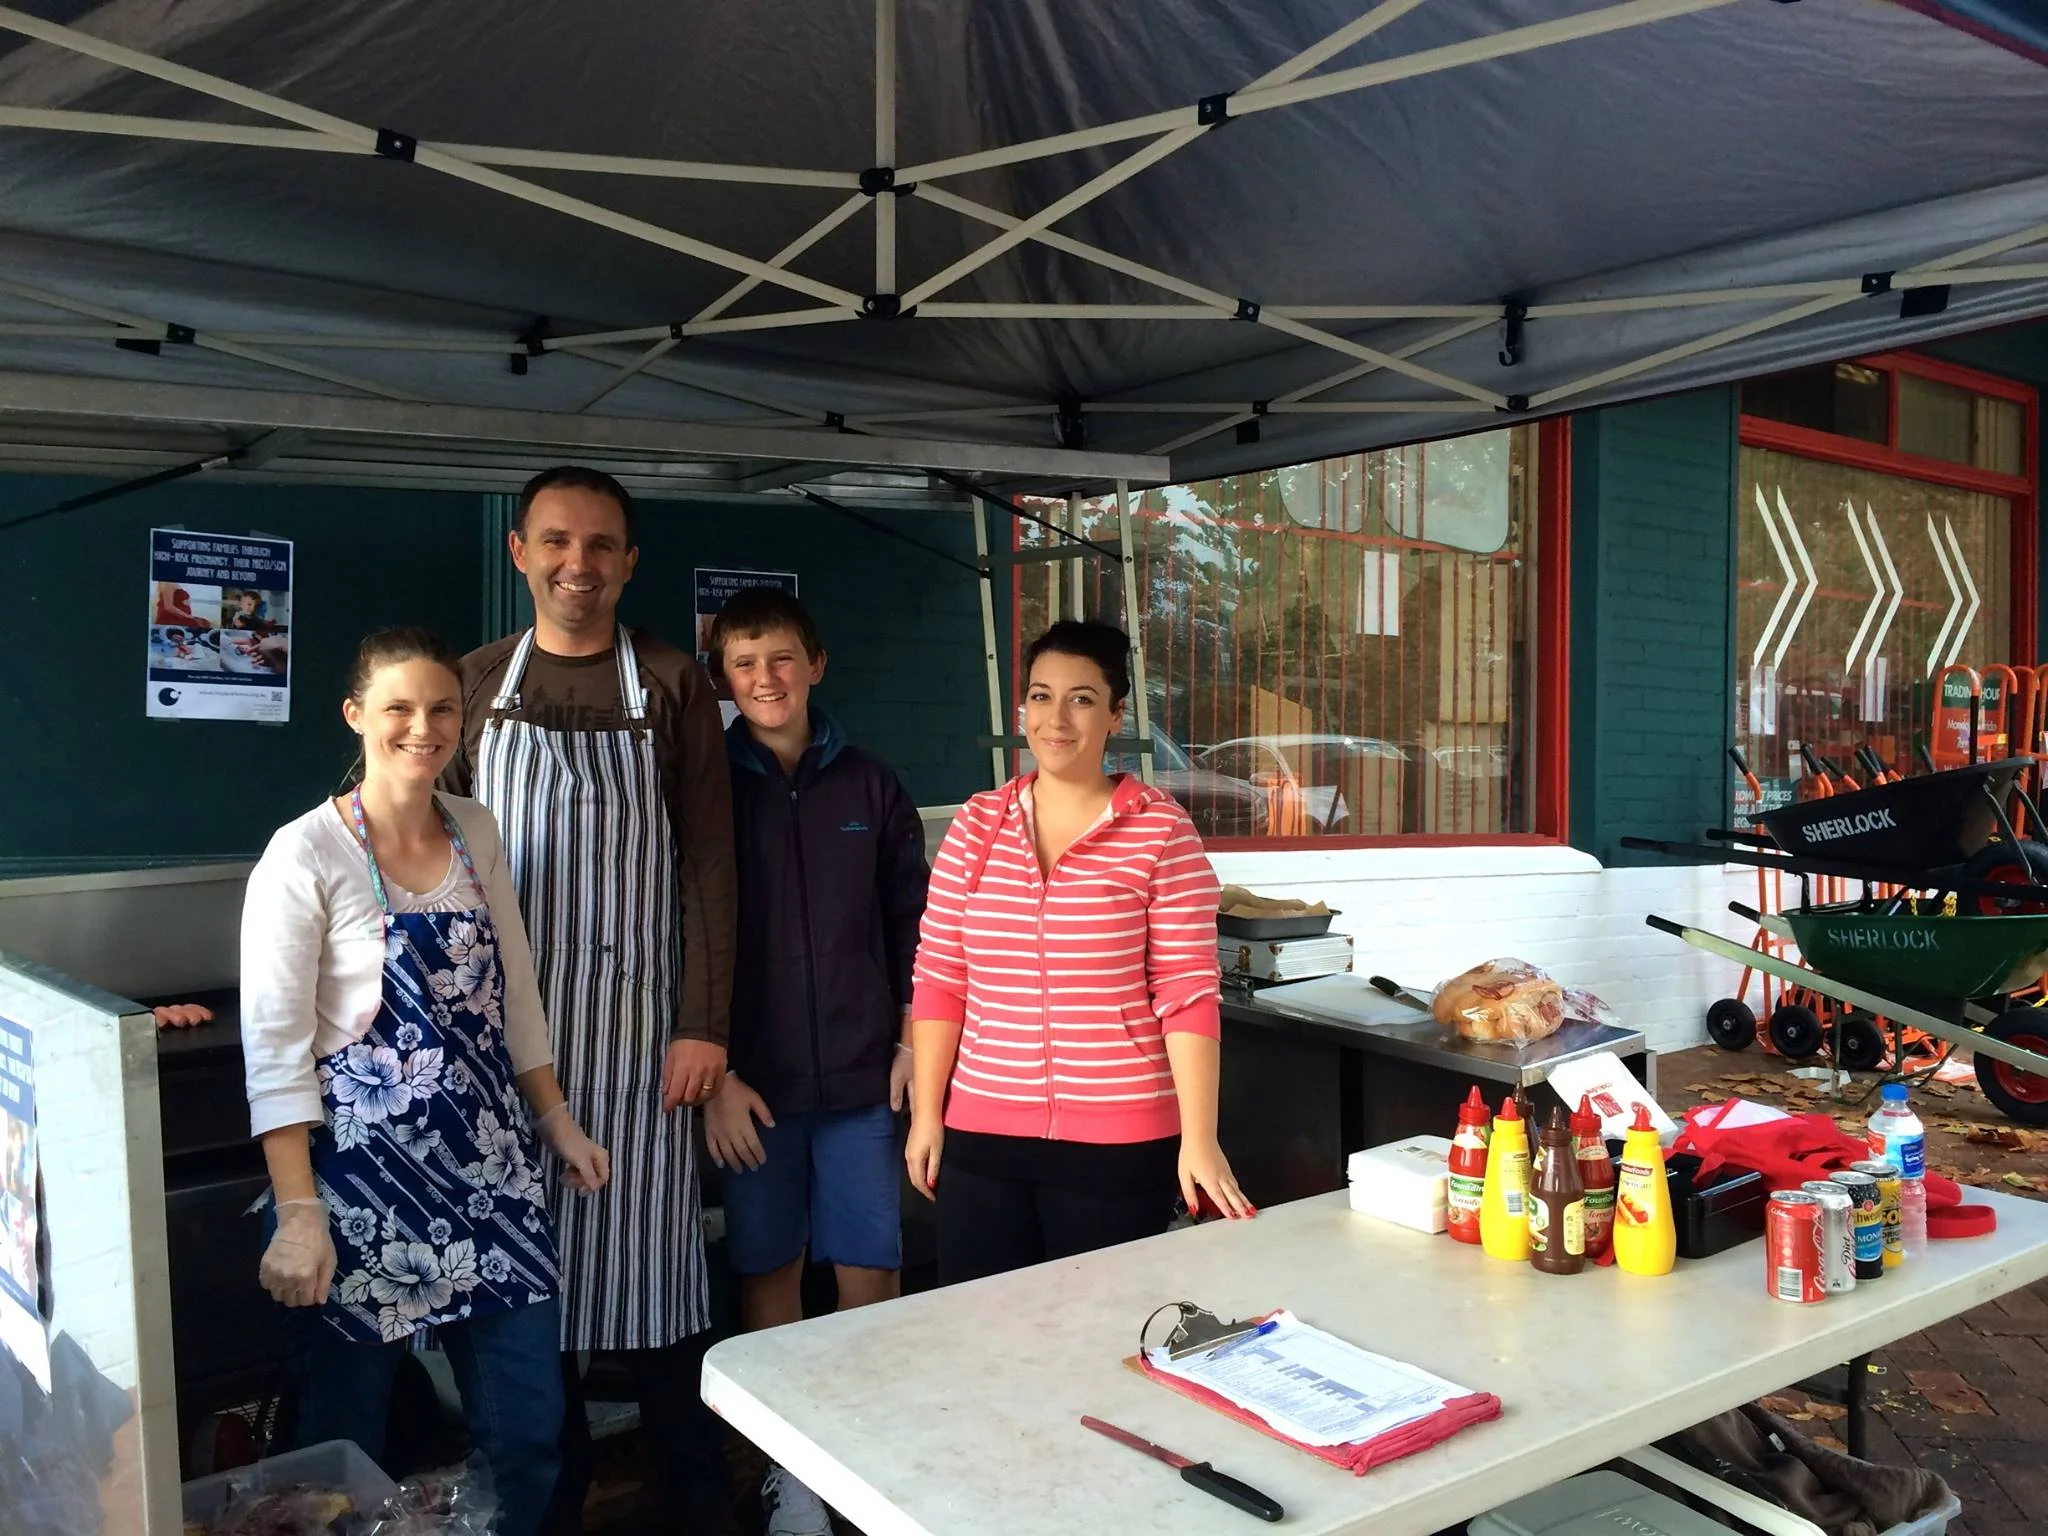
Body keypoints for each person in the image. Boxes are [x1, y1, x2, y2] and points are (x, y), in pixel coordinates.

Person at [238, 628, 611, 1536]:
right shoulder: (305, 854)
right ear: (356, 715)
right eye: (399, 707)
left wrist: (554, 1117)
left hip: (490, 1172)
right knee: (346, 1448)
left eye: (442, 708)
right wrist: (298, 1214)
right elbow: (276, 1046)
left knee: (527, 1429)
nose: (423, 727)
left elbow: (513, 990)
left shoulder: (473, 826)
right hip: (360, 1192)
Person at [443, 465, 739, 1535]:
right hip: (505, 1039)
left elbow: (709, 861)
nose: (580, 565)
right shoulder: (475, 682)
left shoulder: (669, 680)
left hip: (639, 1034)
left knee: (654, 1276)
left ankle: (697, 1496)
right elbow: (430, 856)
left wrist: (704, 1022)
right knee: (528, 1285)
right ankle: (554, 1495)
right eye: (557, 543)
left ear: (629, 561)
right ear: (519, 552)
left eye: (602, 545)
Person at [906, 619, 1254, 1284]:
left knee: (1098, 1345)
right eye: (1040, 696)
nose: (1056, 719)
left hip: (1117, 1144)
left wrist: (1199, 1137)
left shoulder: (1160, 832)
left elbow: (1187, 995)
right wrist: (927, 1115)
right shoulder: (978, 825)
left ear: (1117, 714)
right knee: (979, 1341)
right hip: (981, 1141)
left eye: (1081, 698)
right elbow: (941, 980)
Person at [701, 587, 929, 1536]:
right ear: (725, 677)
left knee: (871, 1272)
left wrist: (915, 1043)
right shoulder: (705, 785)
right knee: (768, 1271)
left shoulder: (871, 786)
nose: (766, 679)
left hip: (862, 1081)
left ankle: (866, 1457)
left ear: (816, 665)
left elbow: (918, 931)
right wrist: (714, 1077)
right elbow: (682, 938)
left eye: (783, 658)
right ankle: (790, 1477)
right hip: (749, 1091)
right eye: (746, 663)